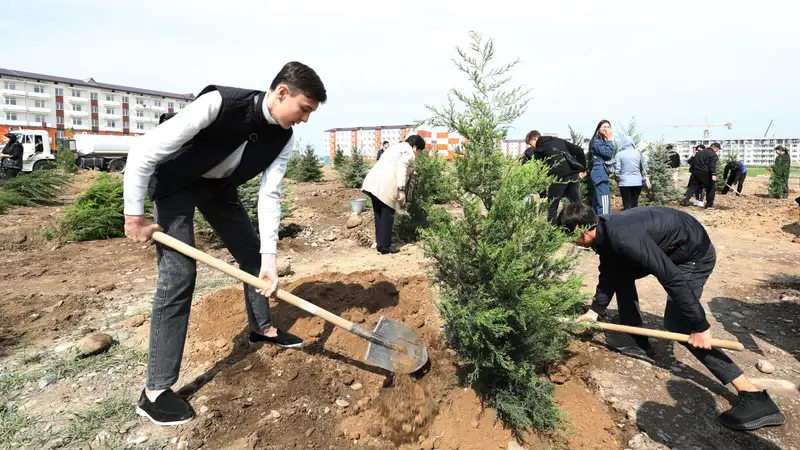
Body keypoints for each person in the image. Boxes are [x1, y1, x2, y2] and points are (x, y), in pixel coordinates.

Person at [122, 61, 327, 426]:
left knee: (252, 257)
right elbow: (144, 151)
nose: (306, 119)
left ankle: (262, 329)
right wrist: (133, 215)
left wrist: (270, 259)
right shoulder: (219, 103)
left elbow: (270, 195)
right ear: (282, 92)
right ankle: (155, 391)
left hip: (219, 190)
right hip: (176, 183)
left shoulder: (283, 136)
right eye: (304, 109)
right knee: (179, 275)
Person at [558, 203, 786, 432]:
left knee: (677, 323)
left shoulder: (624, 238)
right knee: (621, 271)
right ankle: (636, 339)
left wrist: (699, 325)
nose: (573, 244)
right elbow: (610, 271)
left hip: (694, 254)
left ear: (584, 230)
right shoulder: (606, 231)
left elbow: (670, 276)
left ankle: (753, 395)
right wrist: (594, 311)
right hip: (672, 246)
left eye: (573, 238)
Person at [361, 135, 425, 254]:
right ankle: (385, 246)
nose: (417, 154)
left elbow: (397, 163)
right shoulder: (409, 152)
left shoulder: (396, 147)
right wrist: (401, 189)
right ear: (415, 147)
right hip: (386, 181)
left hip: (373, 179)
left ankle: (380, 245)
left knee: (378, 213)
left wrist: (411, 171)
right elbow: (401, 167)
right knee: (387, 213)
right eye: (419, 151)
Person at [521, 130, 586, 224]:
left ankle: (552, 234)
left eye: (531, 144)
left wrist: (542, 192)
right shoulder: (559, 141)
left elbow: (540, 171)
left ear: (535, 139)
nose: (532, 147)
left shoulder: (539, 150)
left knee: (552, 207)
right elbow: (579, 150)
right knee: (577, 205)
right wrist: (583, 168)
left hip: (558, 178)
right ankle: (585, 227)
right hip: (572, 175)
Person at [614, 135, 647, 210]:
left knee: (627, 204)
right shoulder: (638, 153)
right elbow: (643, 168)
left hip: (624, 183)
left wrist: (617, 179)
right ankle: (636, 220)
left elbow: (617, 169)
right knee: (634, 203)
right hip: (637, 182)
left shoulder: (619, 154)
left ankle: (628, 220)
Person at [588, 120, 614, 215]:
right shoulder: (597, 141)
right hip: (600, 173)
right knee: (604, 203)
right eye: (604, 126)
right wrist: (610, 139)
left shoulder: (601, 141)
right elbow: (608, 153)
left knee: (598, 201)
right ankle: (605, 225)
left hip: (599, 172)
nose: (606, 129)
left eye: (608, 127)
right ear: (598, 129)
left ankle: (597, 226)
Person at [682, 143, 719, 209]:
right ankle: (709, 205)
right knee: (711, 188)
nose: (717, 151)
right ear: (715, 147)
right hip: (706, 173)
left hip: (695, 172)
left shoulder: (698, 153)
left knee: (693, 186)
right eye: (718, 149)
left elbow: (691, 162)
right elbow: (712, 165)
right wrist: (713, 174)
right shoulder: (713, 154)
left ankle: (684, 200)